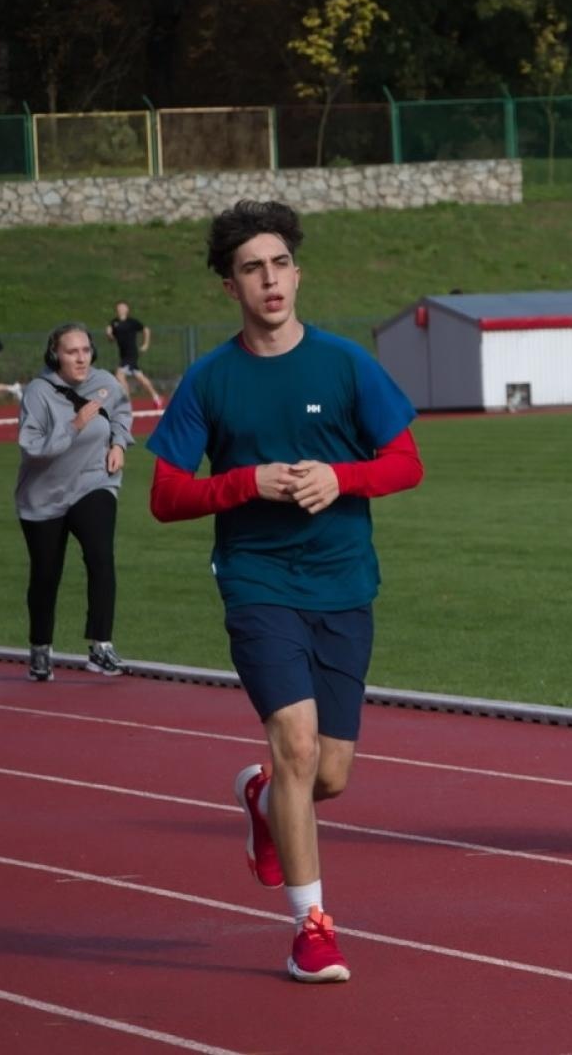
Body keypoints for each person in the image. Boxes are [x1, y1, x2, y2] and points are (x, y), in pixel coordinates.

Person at [146, 200, 423, 984]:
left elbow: (406, 463)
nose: (268, 280)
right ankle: (313, 927)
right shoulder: (211, 380)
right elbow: (166, 496)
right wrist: (244, 483)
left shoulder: (344, 365)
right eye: (250, 269)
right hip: (258, 583)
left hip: (343, 583)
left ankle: (265, 798)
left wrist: (340, 477)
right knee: (296, 744)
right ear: (228, 286)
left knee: (328, 774)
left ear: (297, 272)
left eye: (278, 264)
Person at [15, 323, 133, 682]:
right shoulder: (38, 393)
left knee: (100, 556)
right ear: (55, 355)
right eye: (71, 352)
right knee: (46, 574)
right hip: (44, 496)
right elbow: (31, 448)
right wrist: (74, 425)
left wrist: (118, 444)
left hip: (93, 482)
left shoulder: (105, 383)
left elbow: (122, 413)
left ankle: (101, 646)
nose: (81, 358)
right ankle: (40, 650)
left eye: (85, 350)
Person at [107, 300, 164, 409]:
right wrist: (109, 334)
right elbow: (111, 339)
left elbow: (146, 329)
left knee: (119, 374)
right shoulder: (114, 323)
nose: (121, 310)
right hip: (123, 355)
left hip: (131, 353)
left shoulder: (132, 322)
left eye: (123, 308)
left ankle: (126, 402)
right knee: (139, 376)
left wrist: (145, 344)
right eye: (119, 308)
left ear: (127, 309)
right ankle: (156, 397)